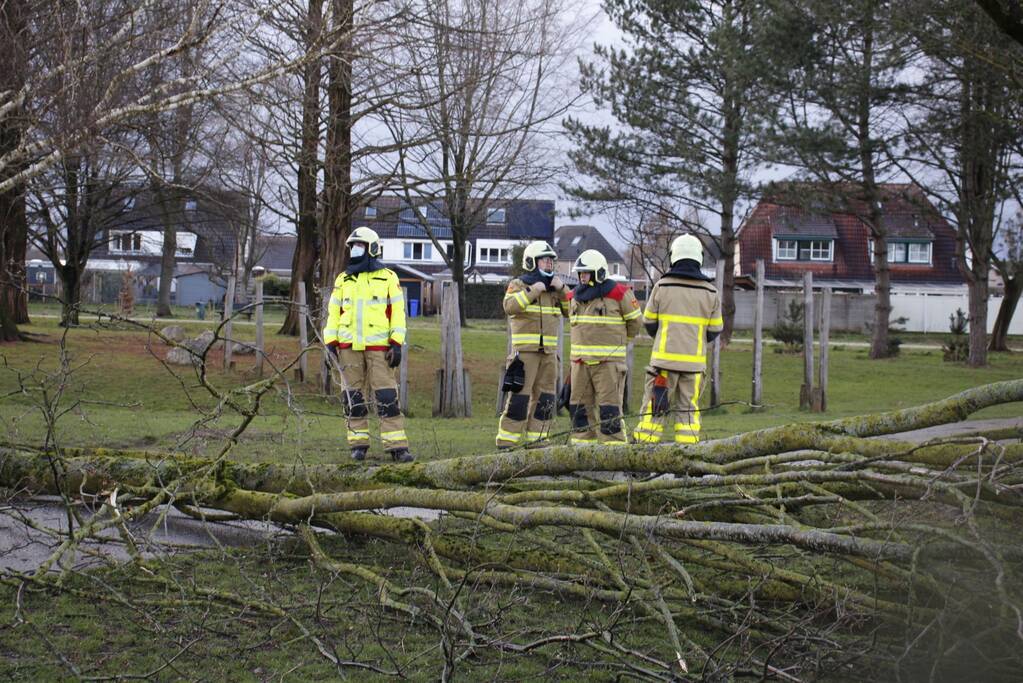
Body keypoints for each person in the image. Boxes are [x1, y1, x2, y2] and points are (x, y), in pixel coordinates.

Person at [323, 226, 413, 462]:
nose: (354, 250)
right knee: (353, 398)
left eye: (359, 246)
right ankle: (358, 445)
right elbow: (334, 313)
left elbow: (398, 314)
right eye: (352, 246)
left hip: (380, 350)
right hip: (347, 348)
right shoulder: (343, 279)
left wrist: (397, 343)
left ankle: (397, 447)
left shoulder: (387, 278)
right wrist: (330, 342)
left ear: (371, 249)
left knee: (387, 397)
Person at [633, 234, 722, 445]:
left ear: (674, 256)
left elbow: (649, 323)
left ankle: (640, 458)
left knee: (655, 410)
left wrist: (666, 339)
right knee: (688, 414)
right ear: (698, 258)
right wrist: (695, 340)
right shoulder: (711, 291)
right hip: (694, 366)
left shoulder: (662, 287)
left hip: (663, 367)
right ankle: (688, 459)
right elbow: (715, 329)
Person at [497, 240, 569, 449]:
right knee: (519, 400)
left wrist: (563, 289)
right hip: (525, 355)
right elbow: (509, 306)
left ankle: (538, 441)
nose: (549, 264)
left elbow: (571, 311)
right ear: (531, 262)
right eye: (545, 261)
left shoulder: (555, 289)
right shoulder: (518, 284)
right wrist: (533, 291)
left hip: (549, 354)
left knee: (546, 400)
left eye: (551, 261)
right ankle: (505, 443)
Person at [566, 250, 642, 445]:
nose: (582, 277)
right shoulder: (574, 296)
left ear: (598, 272)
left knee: (610, 411)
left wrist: (620, 344)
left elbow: (635, 322)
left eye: (586, 273)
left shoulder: (619, 293)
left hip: (608, 365)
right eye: (580, 273)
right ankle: (582, 452)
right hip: (580, 364)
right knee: (579, 410)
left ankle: (614, 454)